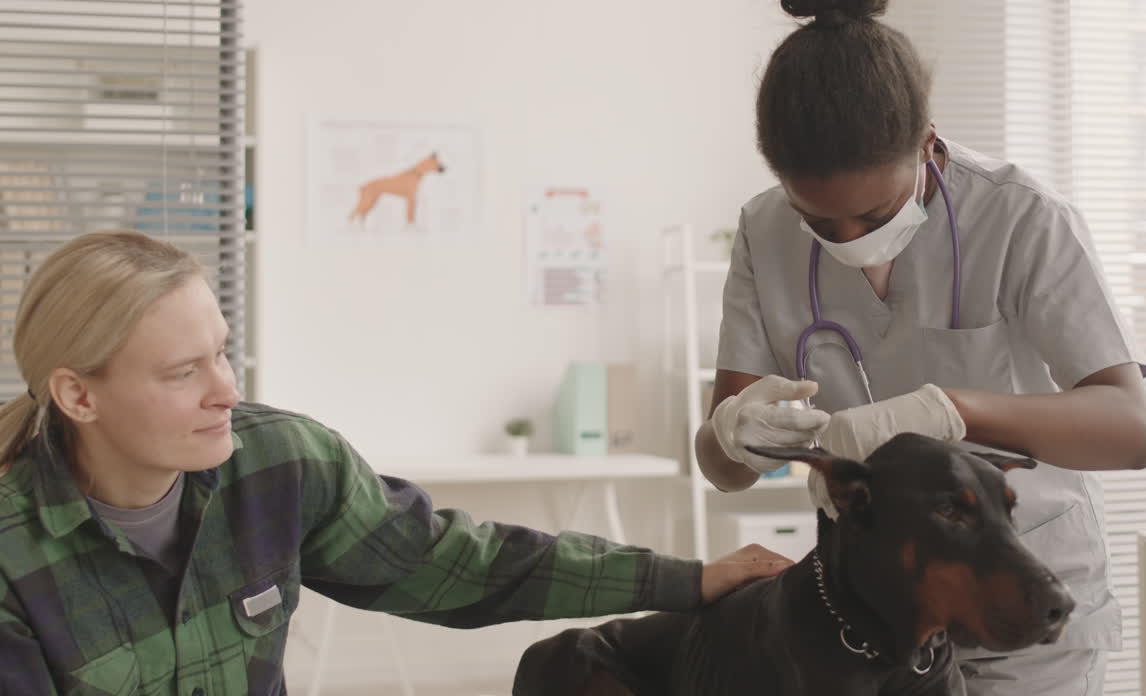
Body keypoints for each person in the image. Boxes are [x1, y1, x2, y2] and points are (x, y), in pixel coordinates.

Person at [0, 231, 791, 695]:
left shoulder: (277, 463)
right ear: (78, 395)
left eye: (222, 356)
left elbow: (461, 565)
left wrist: (686, 580)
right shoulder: (12, 546)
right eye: (182, 373)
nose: (227, 391)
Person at [694, 0, 1146, 694]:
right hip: (863, 630)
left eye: (876, 212)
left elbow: (1130, 430)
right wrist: (730, 435)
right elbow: (728, 471)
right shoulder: (763, 230)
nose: (850, 239)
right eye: (818, 220)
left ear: (928, 144)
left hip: (1021, 609)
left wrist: (951, 409)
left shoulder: (1021, 217)